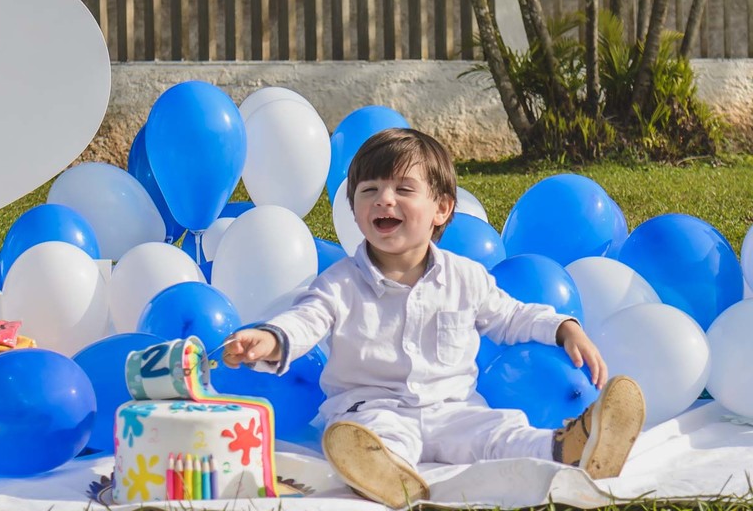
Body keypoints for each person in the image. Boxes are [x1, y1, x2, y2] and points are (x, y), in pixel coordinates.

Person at [222, 128, 645, 508]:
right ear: (354, 210)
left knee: (499, 432)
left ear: (441, 208)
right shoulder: (339, 283)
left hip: (453, 407)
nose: (384, 199)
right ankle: (378, 473)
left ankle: (571, 447)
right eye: (369, 190)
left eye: (403, 189)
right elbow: (306, 319)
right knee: (377, 437)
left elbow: (511, 315)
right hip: (372, 406)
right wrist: (271, 337)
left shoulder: (464, 277)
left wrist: (563, 327)